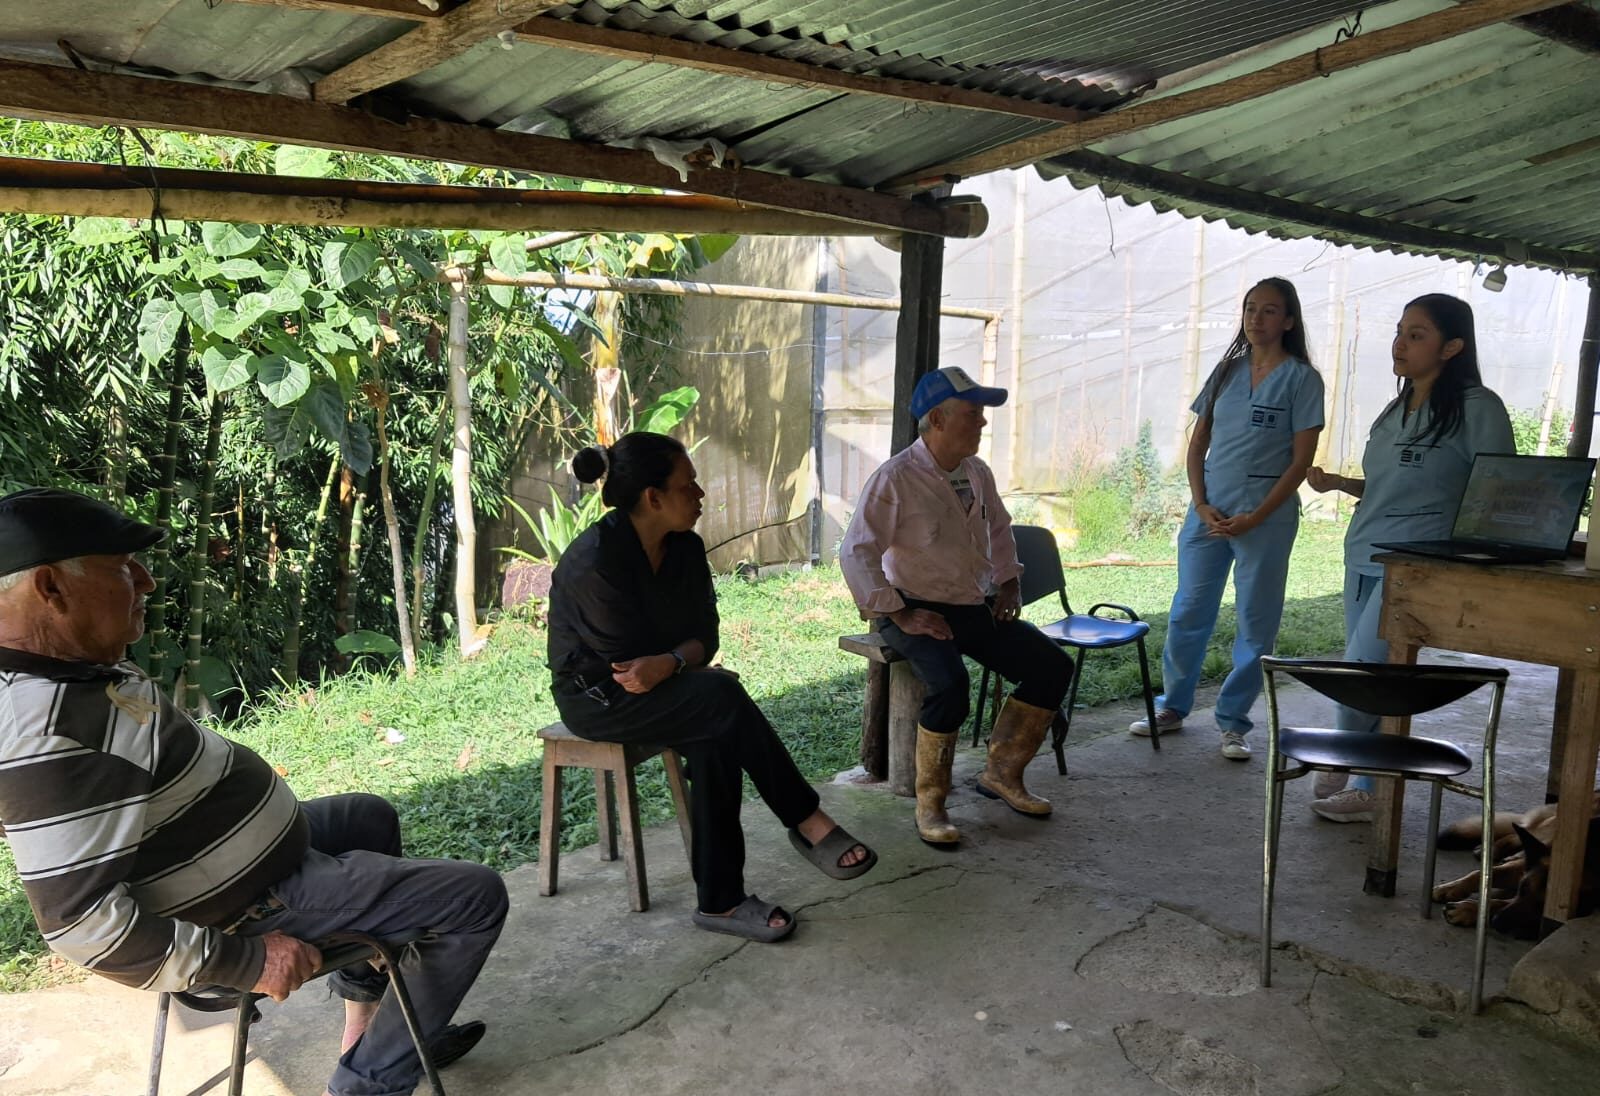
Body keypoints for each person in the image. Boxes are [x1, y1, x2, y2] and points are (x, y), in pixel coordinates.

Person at [0, 487, 506, 1096]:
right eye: (122, 569)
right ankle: (370, 1083)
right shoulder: (45, 735)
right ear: (51, 589)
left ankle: (369, 1026)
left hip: (238, 866)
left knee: (369, 817)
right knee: (475, 897)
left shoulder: (62, 664)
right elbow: (83, 928)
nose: (146, 582)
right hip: (241, 908)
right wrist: (247, 961)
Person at [546, 431, 877, 944]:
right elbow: (629, 667)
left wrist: (675, 659)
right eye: (688, 485)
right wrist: (683, 661)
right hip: (598, 698)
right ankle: (805, 820)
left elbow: (706, 634)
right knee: (719, 699)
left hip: (672, 684)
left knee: (715, 732)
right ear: (653, 498)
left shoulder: (685, 547)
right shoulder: (595, 563)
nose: (700, 495)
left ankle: (721, 904)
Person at [840, 366, 1073, 846]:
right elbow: (857, 551)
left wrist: (1008, 584)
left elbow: (1001, 529)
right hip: (913, 608)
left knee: (1050, 666)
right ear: (938, 420)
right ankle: (933, 802)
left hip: (972, 603)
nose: (983, 423)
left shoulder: (975, 472)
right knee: (950, 686)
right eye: (973, 414)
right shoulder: (896, 479)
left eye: (982, 414)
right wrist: (899, 612)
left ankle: (1002, 774)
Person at [1305, 293, 1514, 822]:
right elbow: (1389, 484)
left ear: (1453, 346)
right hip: (1363, 553)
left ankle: (1365, 783)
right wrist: (1340, 485)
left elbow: (1500, 489)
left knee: (1362, 670)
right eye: (1399, 330)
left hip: (1417, 566)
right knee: (1371, 671)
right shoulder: (1396, 406)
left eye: (1416, 334)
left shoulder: (1478, 408)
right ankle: (1357, 764)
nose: (1400, 343)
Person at [1131, 277, 1325, 761]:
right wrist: (1200, 504)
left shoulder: (1303, 378)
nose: (1256, 319)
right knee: (1188, 610)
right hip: (1209, 512)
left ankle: (1234, 722)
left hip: (1266, 515)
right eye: (1250, 309)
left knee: (1255, 622)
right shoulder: (1225, 372)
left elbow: (1300, 461)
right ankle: (1172, 706)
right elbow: (1198, 444)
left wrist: (1257, 515)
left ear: (1289, 321)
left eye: (1269, 310)